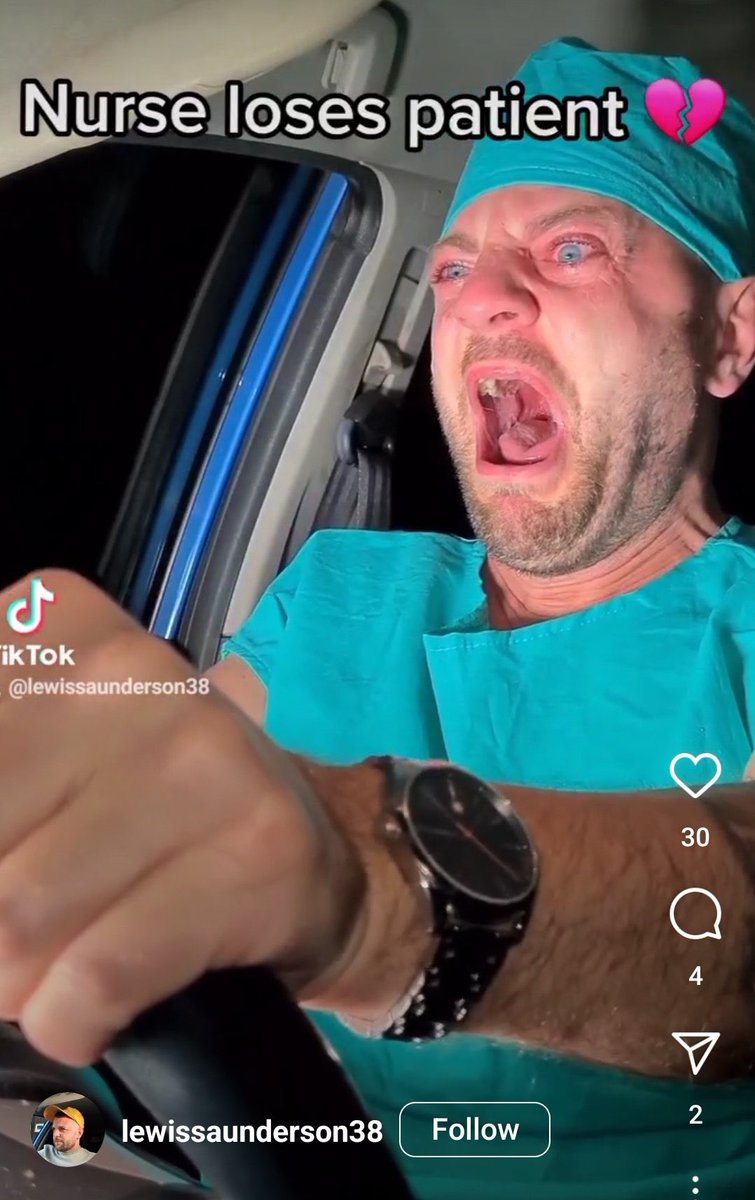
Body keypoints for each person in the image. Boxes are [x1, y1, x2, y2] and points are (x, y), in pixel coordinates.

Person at [1, 34, 755, 1200]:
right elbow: (159, 791)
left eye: (571, 248)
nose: (481, 297)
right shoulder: (344, 585)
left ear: (728, 336)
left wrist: (368, 886)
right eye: (451, 272)